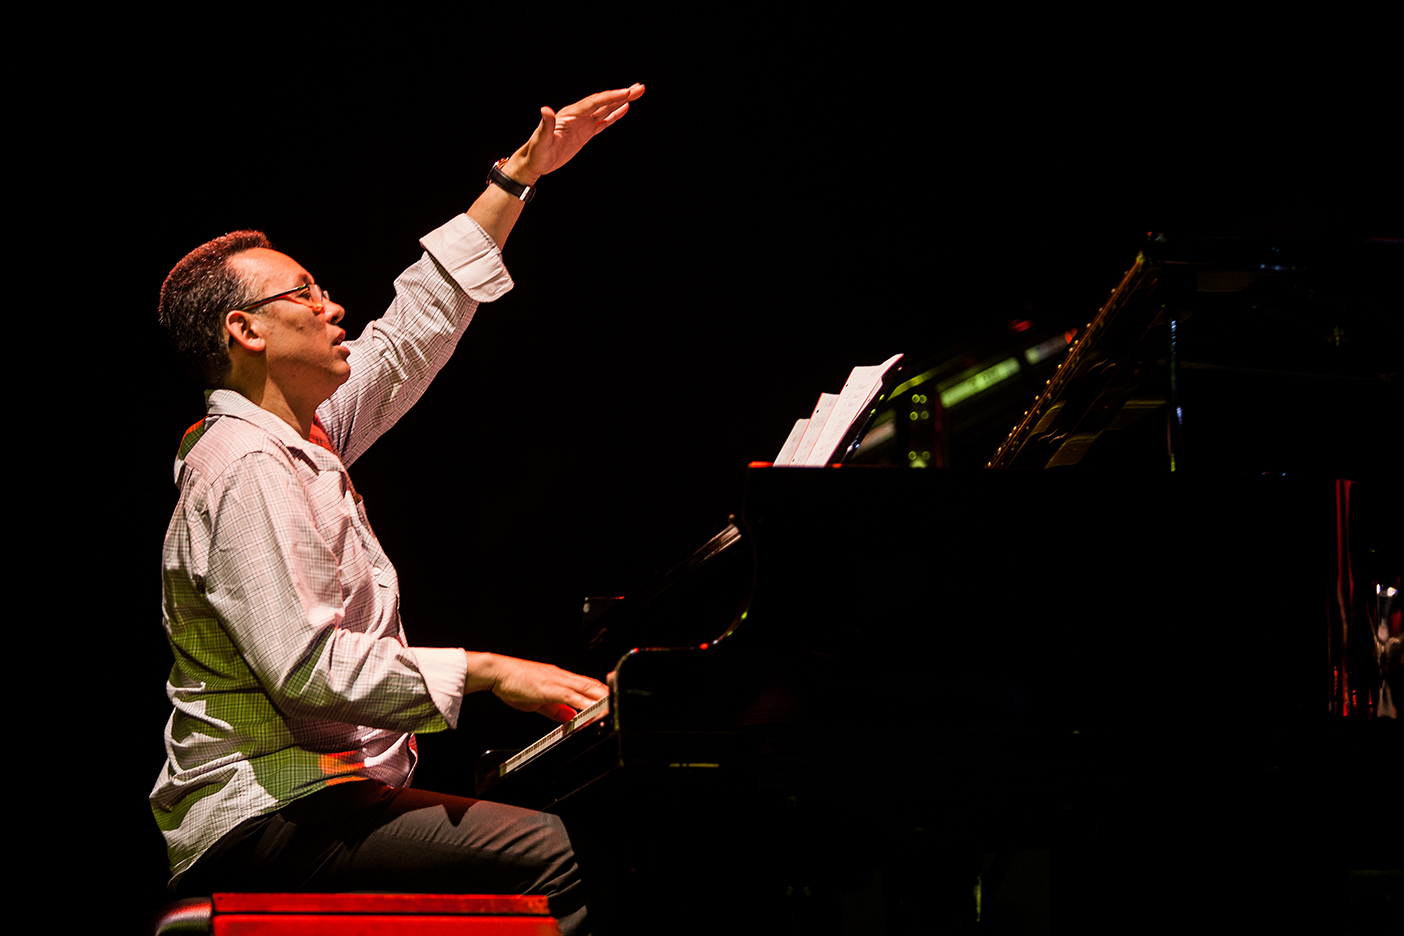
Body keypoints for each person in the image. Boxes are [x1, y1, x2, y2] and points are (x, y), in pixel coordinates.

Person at [151, 83, 645, 935]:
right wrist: (493, 672)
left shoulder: (299, 436)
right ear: (246, 331)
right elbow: (310, 673)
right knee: (569, 858)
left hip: (321, 801)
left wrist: (519, 176)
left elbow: (416, 325)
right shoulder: (244, 465)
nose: (333, 306)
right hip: (267, 817)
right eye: (304, 294)